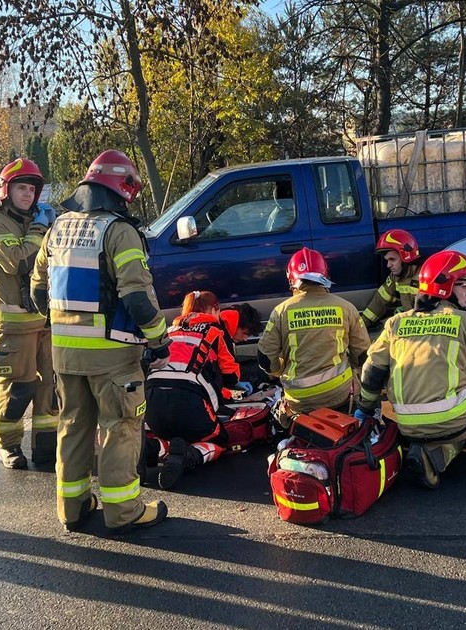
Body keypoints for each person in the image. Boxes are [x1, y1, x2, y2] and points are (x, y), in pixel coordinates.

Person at [31, 149, 170, 533]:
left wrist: (58, 327)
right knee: (120, 429)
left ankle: (71, 508)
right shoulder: (118, 231)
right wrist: (160, 340)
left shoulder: (57, 228)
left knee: (73, 426)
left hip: (65, 357)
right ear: (122, 189)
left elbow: (37, 289)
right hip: (112, 359)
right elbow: (137, 298)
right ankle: (123, 512)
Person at [355, 250, 466, 489]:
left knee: (451, 423)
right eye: (464, 284)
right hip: (454, 420)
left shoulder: (395, 323)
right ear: (447, 287)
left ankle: (431, 457)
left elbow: (372, 372)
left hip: (407, 424)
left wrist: (364, 411)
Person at [0, 157, 59, 470]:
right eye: (21, 188)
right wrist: (41, 229)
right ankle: (8, 446)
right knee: (17, 389)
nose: (27, 194)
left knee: (48, 390)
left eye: (31, 189)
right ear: (6, 190)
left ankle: (45, 448)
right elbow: (19, 262)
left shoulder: (39, 224)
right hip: (12, 327)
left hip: (44, 321)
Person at [257, 247, 369, 429]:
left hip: (300, 400)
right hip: (339, 394)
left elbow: (264, 359)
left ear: (291, 278)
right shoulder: (346, 308)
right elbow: (363, 355)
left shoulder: (281, 311)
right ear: (324, 275)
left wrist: (280, 370)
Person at [143, 291, 243, 490]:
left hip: (153, 402)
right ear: (213, 310)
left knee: (165, 432)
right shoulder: (215, 330)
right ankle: (191, 454)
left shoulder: (169, 329)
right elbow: (231, 376)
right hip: (190, 403)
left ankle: (155, 449)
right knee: (219, 440)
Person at [360, 229, 422, 328]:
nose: (388, 265)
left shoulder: (425, 277)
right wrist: (360, 327)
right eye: (387, 260)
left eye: (392, 259)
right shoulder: (395, 277)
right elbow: (379, 302)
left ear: (406, 257)